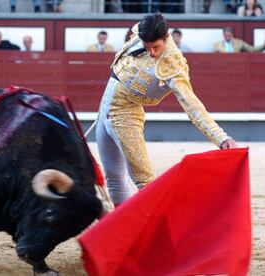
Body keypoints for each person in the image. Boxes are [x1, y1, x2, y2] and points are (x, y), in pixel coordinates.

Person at [95, 13, 237, 207]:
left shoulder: (173, 64)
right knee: (113, 175)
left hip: (126, 115)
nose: (152, 52)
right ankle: (126, 230)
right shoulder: (141, 32)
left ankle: (155, 229)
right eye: (147, 47)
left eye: (156, 47)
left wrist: (220, 137)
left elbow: (191, 103)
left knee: (144, 182)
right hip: (105, 108)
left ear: (167, 36)